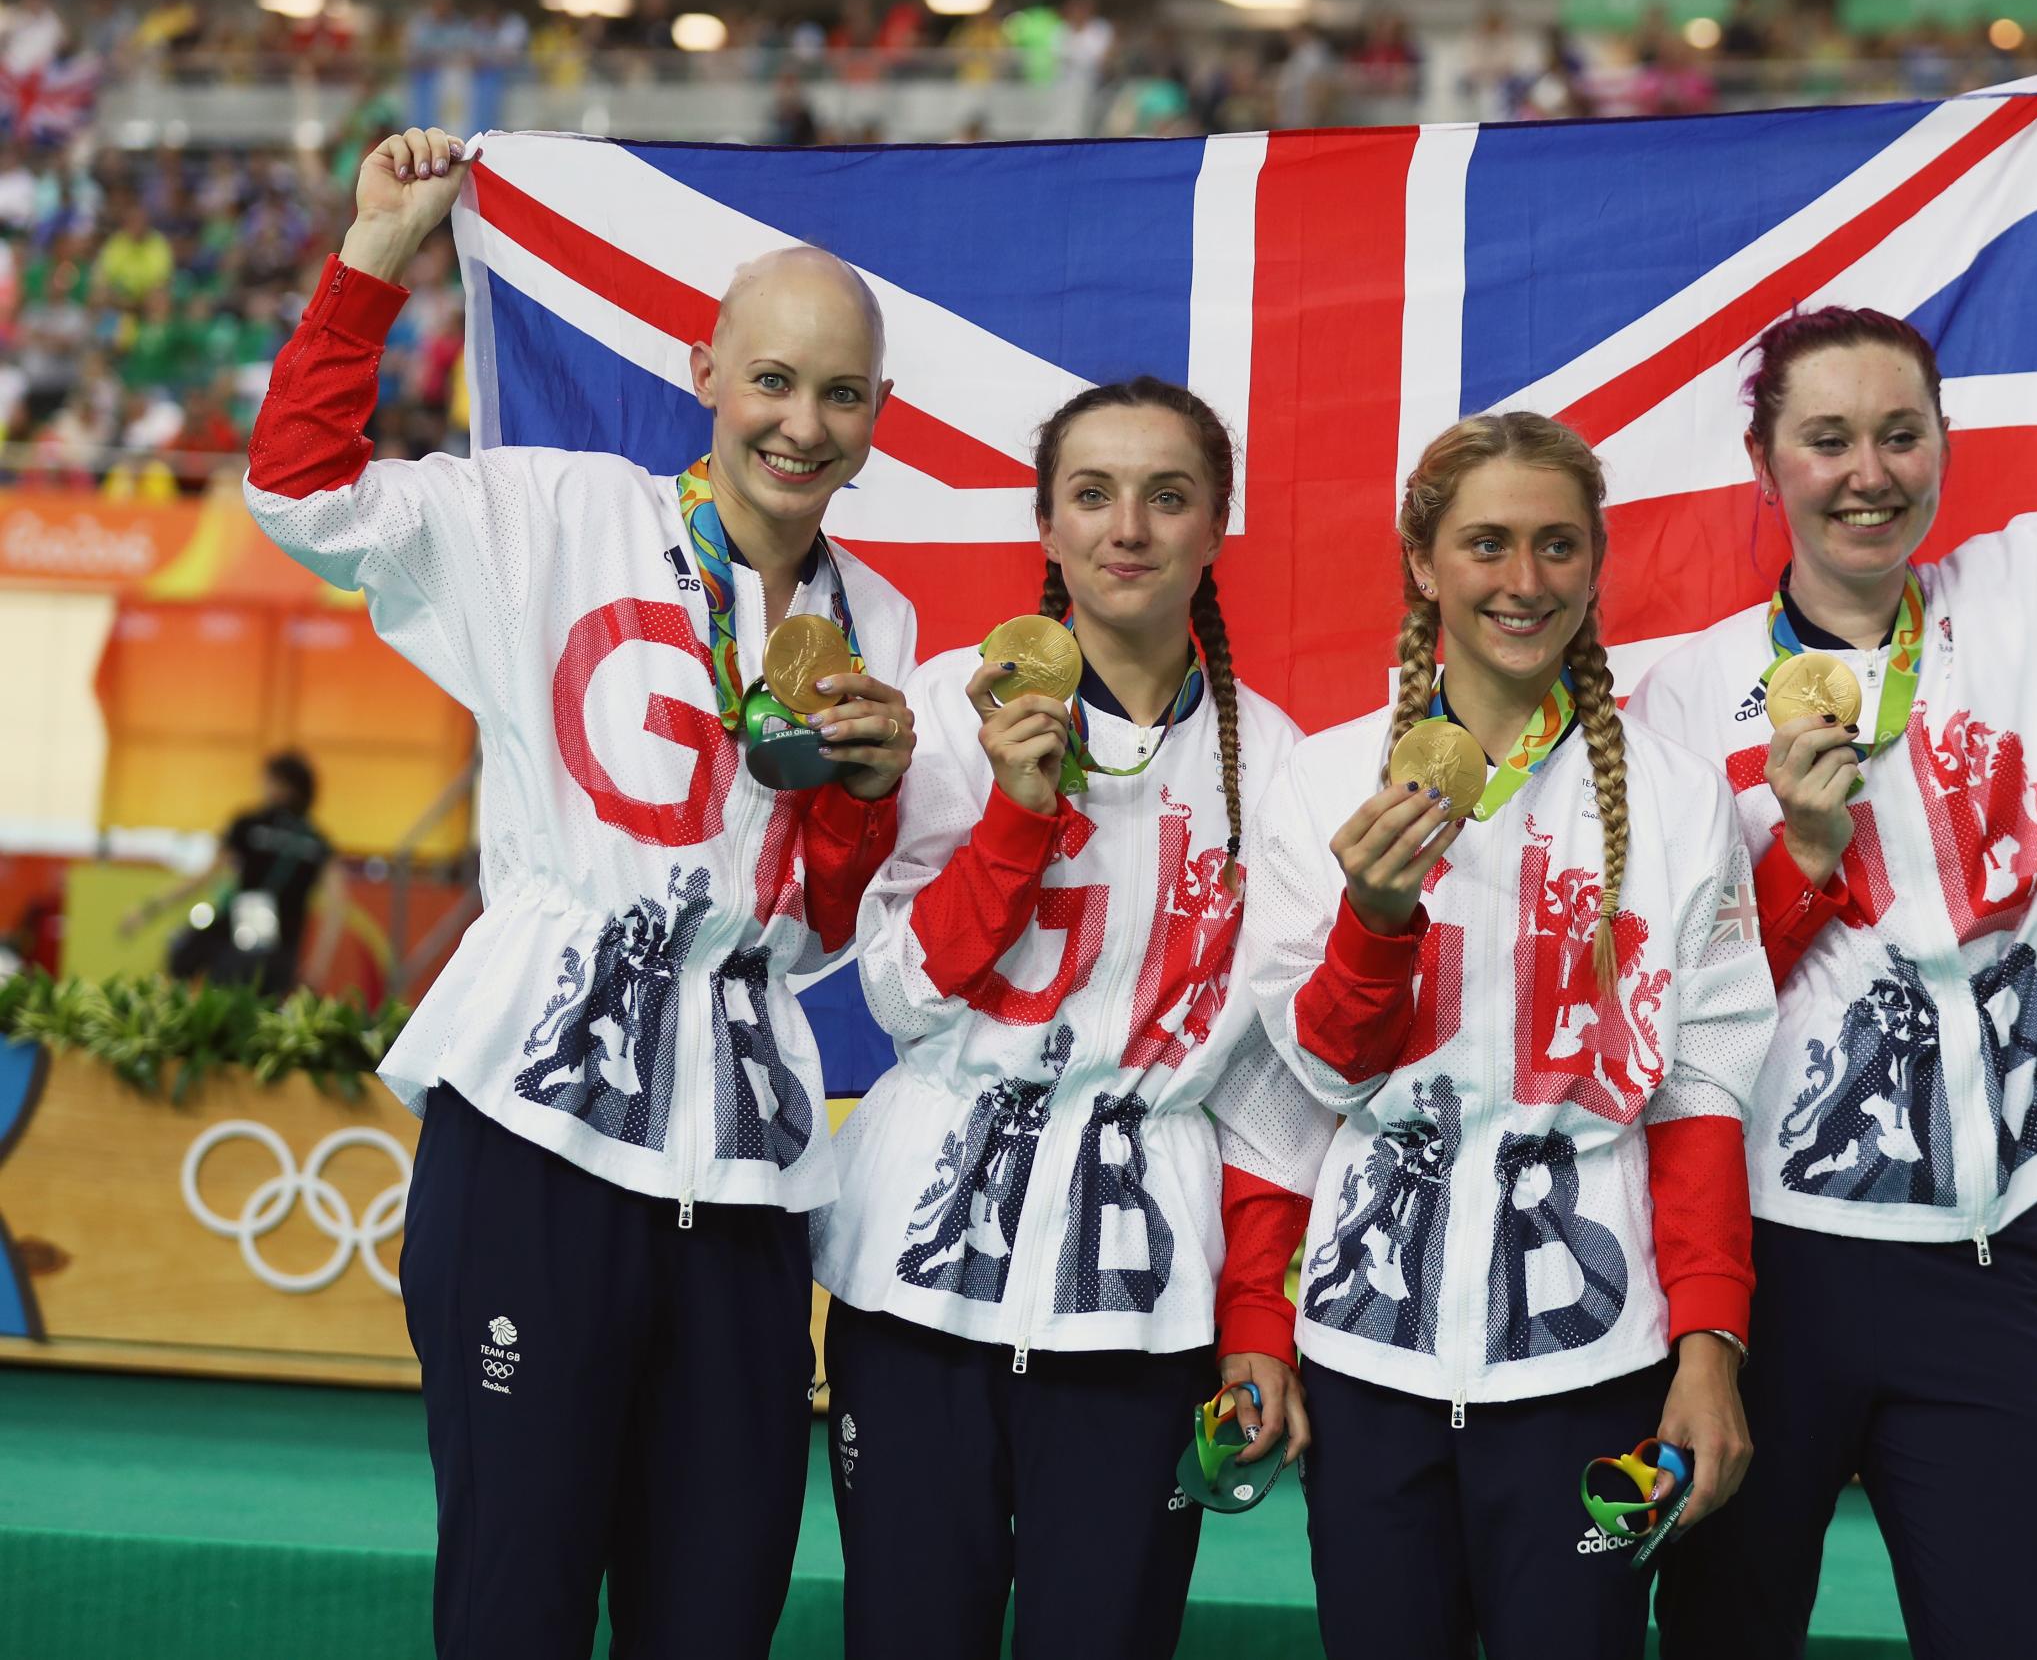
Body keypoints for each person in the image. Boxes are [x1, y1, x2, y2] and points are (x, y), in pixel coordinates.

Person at [1630, 89, 2037, 1660]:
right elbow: (1677, 998)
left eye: (1899, 434)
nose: (1867, 472)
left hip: (1990, 1259)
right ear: (1764, 459)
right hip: (1765, 1270)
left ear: (1943, 442)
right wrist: (1798, 859)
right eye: (1826, 439)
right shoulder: (1678, 698)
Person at [242, 126, 920, 1658]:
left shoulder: (878, 612)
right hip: (540, 1129)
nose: (801, 424)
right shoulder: (550, 513)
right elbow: (302, 491)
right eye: (774, 379)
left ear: (879, 420)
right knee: (517, 1600)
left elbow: (812, 925)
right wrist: (372, 259)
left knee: (715, 1609)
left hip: (742, 1173)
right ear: (704, 370)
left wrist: (866, 803)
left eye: (840, 394)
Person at [1237, 411, 1777, 1659]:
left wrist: (1708, 1349)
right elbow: (1315, 1074)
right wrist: (1373, 921)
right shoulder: (1320, 785)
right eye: (1486, 543)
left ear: (1595, 563)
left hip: (1590, 1364)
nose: (1523, 581)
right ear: (1422, 561)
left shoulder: (1681, 799)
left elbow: (1697, 1091)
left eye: (1555, 546)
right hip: (1371, 1355)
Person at [809, 377, 1327, 1660]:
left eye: (1169, 495)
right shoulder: (939, 709)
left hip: (1139, 1296)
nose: (1128, 527)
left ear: (1219, 525)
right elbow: (899, 995)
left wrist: (1260, 1319)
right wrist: (1014, 816)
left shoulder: (1282, 767)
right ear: (1045, 524)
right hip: (920, 1276)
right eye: (1092, 494)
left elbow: (1270, 1084)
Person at [119, 750, 347, 996]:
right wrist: (317, 966)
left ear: (285, 785)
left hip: (238, 941)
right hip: (281, 951)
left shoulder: (250, 824)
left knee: (185, 960)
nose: (263, 787)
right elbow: (337, 906)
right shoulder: (318, 842)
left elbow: (205, 877)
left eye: (268, 781)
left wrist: (148, 910)